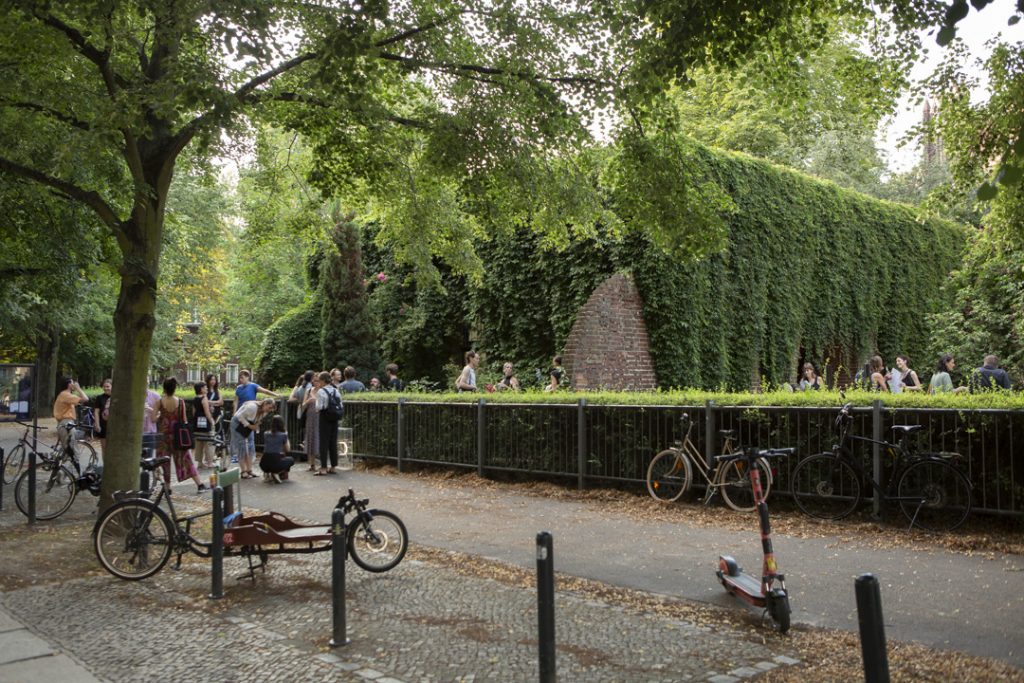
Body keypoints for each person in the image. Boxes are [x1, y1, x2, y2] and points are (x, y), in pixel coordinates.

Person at [154, 377, 206, 493]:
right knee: (186, 460)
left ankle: (167, 487)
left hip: (163, 437)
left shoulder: (159, 402)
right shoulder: (181, 402)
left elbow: (153, 419)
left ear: (164, 388)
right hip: (178, 437)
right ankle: (200, 484)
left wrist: (160, 416)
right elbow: (184, 420)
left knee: (164, 462)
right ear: (175, 388)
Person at [232, 370, 279, 463]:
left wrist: (276, 395)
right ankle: (238, 456)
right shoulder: (238, 388)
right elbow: (236, 401)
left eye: (242, 377)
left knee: (250, 437)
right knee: (239, 436)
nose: (240, 380)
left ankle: (251, 456)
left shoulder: (253, 386)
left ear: (247, 377)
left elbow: (265, 391)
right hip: (242, 413)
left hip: (252, 413)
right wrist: (234, 412)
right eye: (239, 378)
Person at [231, 398, 276, 479]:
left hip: (250, 424)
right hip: (238, 423)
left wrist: (256, 426)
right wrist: (249, 426)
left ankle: (249, 470)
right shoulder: (252, 407)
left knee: (251, 445)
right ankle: (243, 471)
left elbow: (257, 420)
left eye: (271, 409)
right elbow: (239, 416)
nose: (270, 410)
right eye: (269, 407)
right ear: (265, 403)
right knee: (241, 446)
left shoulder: (264, 412)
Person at [53, 377, 90, 451]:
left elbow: (78, 401)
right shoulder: (66, 395)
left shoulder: (64, 395)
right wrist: (78, 388)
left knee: (67, 448)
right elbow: (86, 399)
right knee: (71, 448)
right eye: (72, 382)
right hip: (66, 423)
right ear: (69, 384)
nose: (74, 384)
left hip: (64, 423)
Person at [316, 371, 342, 475]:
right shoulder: (336, 390)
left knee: (324, 442)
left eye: (319, 380)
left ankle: (323, 467)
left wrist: (317, 409)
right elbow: (340, 404)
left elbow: (319, 406)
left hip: (325, 417)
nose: (318, 383)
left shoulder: (321, 391)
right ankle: (333, 466)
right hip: (335, 417)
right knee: (333, 442)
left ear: (323, 381)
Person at [260, 415, 294, 483]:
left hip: (263, 463)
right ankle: (276, 472)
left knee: (272, 458)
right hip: (275, 463)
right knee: (291, 460)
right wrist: (286, 436)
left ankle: (267, 474)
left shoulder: (266, 433)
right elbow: (288, 449)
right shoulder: (283, 435)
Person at [192, 382, 216, 468]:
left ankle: (200, 462)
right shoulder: (204, 398)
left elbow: (193, 412)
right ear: (201, 389)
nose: (207, 389)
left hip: (197, 423)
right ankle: (209, 462)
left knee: (199, 443)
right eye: (205, 387)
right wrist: (212, 421)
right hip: (205, 423)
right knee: (209, 442)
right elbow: (207, 412)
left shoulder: (194, 399)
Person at [302, 373, 322, 471]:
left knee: (320, 437)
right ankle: (311, 463)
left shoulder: (323, 391)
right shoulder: (309, 390)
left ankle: (323, 463)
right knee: (310, 438)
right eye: (314, 381)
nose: (316, 383)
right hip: (310, 416)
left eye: (318, 381)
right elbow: (303, 405)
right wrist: (307, 401)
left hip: (320, 417)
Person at [92, 378, 112, 458]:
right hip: (103, 425)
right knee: (104, 447)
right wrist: (97, 424)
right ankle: (105, 464)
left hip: (114, 425)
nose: (105, 388)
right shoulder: (100, 398)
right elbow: (96, 412)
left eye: (108, 386)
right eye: (104, 386)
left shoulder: (116, 397)